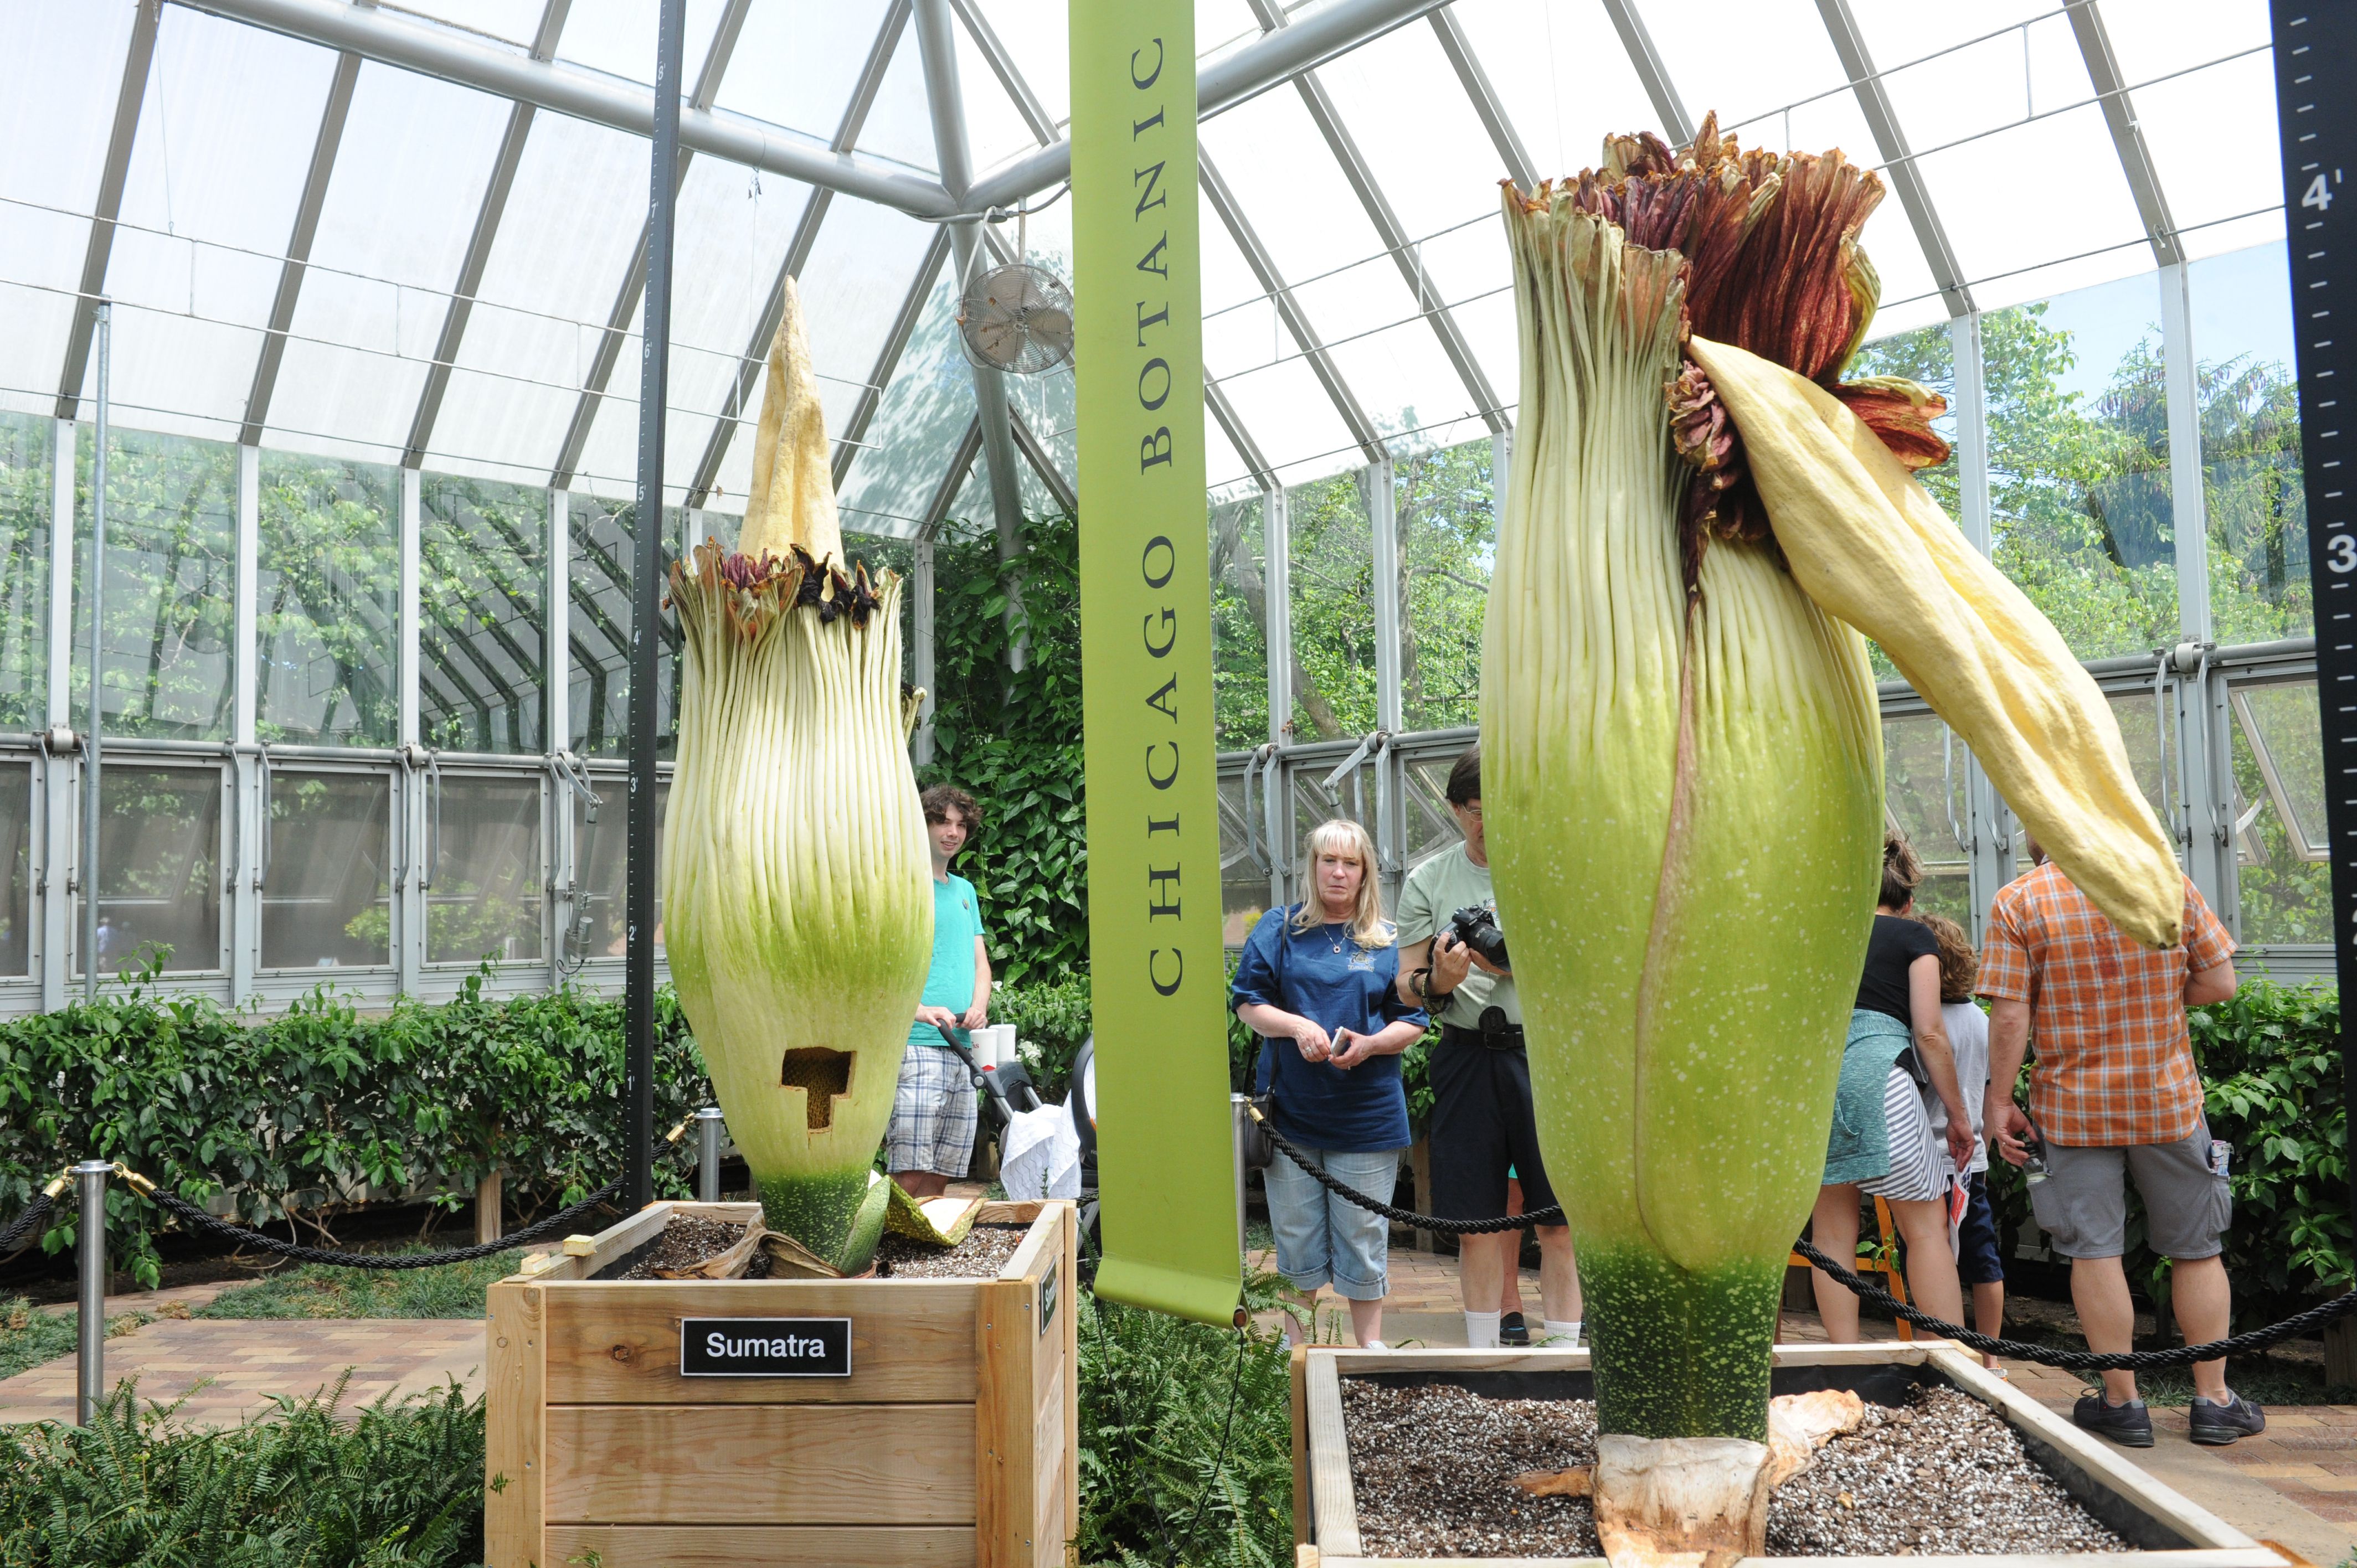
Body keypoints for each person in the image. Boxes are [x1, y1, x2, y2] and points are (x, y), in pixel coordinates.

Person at [1980, 833, 2257, 1447]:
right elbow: (2218, 984)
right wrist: (2154, 1001)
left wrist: (1998, 1101)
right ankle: (2212, 1401)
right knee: (2196, 1247)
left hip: (2072, 1108)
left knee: (2093, 1249)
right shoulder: (2165, 884)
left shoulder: (2019, 901)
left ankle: (2121, 1403)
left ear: (2036, 837)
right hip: (2167, 1101)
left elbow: (2009, 1014)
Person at [1394, 744, 1581, 1350]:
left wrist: (1515, 962)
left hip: (1546, 1057)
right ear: (1455, 809)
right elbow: (1406, 982)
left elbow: (1586, 961)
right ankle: (1481, 1357)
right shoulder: (1429, 879)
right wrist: (1439, 982)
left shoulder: (1552, 868)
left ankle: (1562, 1356)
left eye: (1501, 805)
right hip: (1467, 1053)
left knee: (1559, 1223)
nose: (1488, 820)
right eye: (1477, 807)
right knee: (1476, 1224)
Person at [1233, 818, 1428, 1349]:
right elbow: (1248, 1003)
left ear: (1365, 873)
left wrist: (1368, 1045)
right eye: (1328, 861)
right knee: (1295, 1239)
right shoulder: (1280, 928)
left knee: (1364, 1235)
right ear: (1312, 866)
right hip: (1291, 1112)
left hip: (1367, 1114)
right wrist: (1297, 1026)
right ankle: (1297, 1352)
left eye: (1350, 863)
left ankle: (1371, 1349)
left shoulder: (1390, 940)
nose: (1338, 873)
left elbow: (1413, 1019)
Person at [1813, 832, 1976, 1341]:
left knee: (1832, 1231)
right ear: (1907, 902)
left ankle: (1843, 1358)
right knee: (1925, 1230)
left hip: (1818, 1088)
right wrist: (1959, 1116)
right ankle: (1950, 1366)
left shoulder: (1823, 936)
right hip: (1882, 1080)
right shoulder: (1913, 939)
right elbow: (1930, 1030)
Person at [890, 785, 992, 1201]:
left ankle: (922, 1261)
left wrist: (980, 1006)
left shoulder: (965, 891)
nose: (952, 833)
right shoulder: (900, 886)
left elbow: (981, 963)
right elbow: (880, 970)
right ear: (924, 825)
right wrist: (918, 1010)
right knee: (910, 1171)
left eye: (960, 825)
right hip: (916, 1047)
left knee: (943, 1175)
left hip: (962, 1049)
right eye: (942, 822)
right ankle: (889, 1257)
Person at [1917, 909, 2006, 1370]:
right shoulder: (1983, 1021)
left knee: (1930, 1254)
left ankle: (1932, 1349)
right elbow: (1991, 1096)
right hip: (1972, 1164)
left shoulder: (1924, 1024)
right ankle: (1991, 1359)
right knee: (1983, 1260)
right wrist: (1984, 1150)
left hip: (1925, 1161)